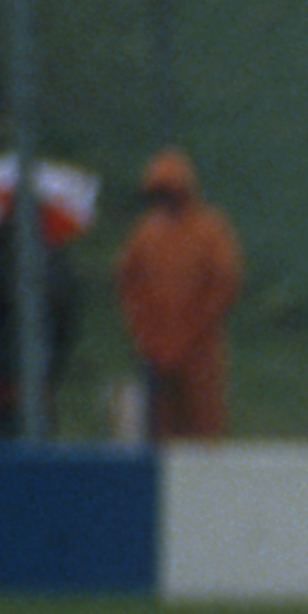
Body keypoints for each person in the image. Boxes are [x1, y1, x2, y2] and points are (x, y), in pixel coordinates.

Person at [113, 148, 246, 442]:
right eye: (158, 193)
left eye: (169, 191)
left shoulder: (210, 228)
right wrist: (145, 334)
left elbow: (224, 283)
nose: (164, 199)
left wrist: (188, 334)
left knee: (203, 429)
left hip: (199, 350)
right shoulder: (145, 233)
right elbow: (127, 281)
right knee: (159, 432)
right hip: (156, 352)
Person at [0, 220, 76, 442]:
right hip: (14, 377)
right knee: (24, 446)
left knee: (7, 445)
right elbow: (64, 318)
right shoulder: (48, 254)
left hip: (10, 377)